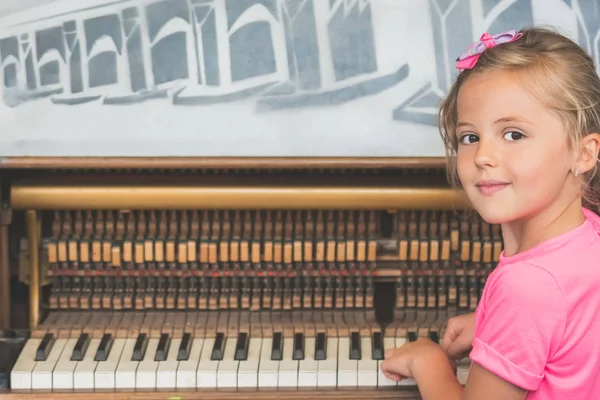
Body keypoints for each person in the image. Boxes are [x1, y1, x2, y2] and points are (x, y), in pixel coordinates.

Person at [379, 27, 600, 400]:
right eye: (470, 137)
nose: (483, 156)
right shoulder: (588, 234)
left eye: (514, 134)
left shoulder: (528, 286)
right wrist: (488, 324)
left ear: (583, 153)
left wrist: (427, 360)